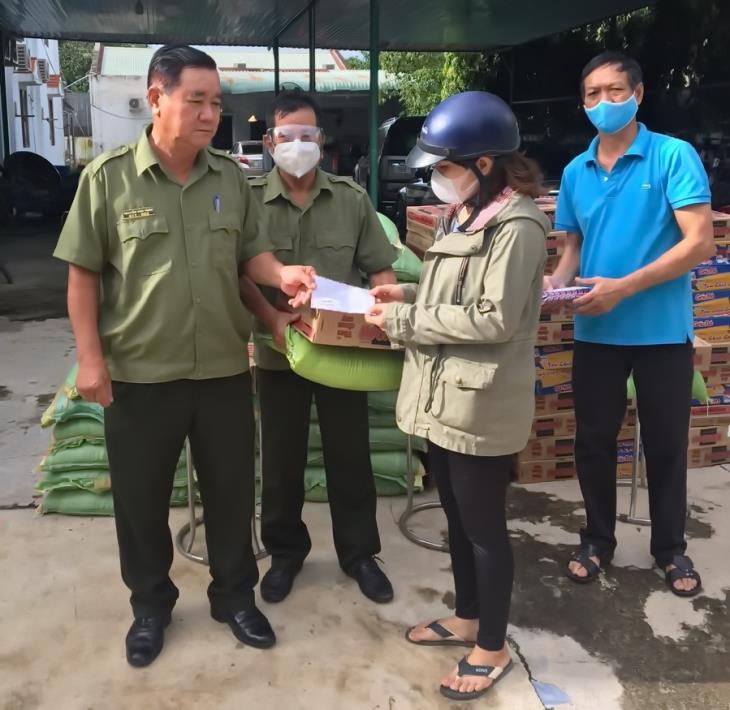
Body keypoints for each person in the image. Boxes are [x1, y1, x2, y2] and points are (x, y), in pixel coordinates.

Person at [53, 45, 316, 668]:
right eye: (195, 99)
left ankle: (234, 597)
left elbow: (251, 257)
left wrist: (284, 275)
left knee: (230, 493)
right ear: (156, 98)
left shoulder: (229, 177)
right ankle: (150, 606)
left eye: (215, 102)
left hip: (224, 369)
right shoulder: (108, 177)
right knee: (141, 501)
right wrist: (90, 360)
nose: (208, 114)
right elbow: (82, 276)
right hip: (141, 376)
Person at [364, 91, 549, 701]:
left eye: (446, 165)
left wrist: (401, 324)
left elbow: (493, 320)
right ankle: (467, 618)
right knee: (456, 518)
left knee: (484, 531)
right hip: (442, 396)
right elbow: (451, 301)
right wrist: (407, 299)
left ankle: (492, 646)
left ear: (486, 162)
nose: (437, 176)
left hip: (479, 403)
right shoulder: (460, 215)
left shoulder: (516, 225)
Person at [546, 52, 714, 596]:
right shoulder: (576, 171)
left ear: (638, 95)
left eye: (614, 91)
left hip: (663, 332)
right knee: (593, 441)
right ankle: (597, 540)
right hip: (596, 332)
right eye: (592, 94)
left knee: (665, 444)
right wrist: (555, 284)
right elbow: (572, 249)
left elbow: (699, 242)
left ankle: (671, 550)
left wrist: (625, 286)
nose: (603, 103)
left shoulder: (672, 156)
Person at [239, 92, 398, 604]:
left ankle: (359, 554)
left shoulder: (351, 199)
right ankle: (285, 554)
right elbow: (243, 271)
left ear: (321, 141)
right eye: (287, 136)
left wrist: (384, 314)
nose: (298, 145)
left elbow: (379, 267)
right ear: (269, 141)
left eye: (308, 136)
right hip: (279, 348)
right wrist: (271, 320)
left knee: (349, 454)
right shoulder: (249, 199)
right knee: (281, 459)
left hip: (343, 353)